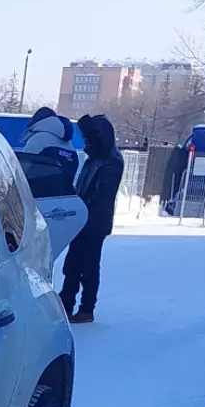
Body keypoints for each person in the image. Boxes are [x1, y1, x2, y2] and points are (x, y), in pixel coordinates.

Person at [61, 114, 124, 324]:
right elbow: (83, 187)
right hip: (84, 219)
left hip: (95, 223)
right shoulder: (96, 159)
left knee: (88, 266)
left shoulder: (110, 162)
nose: (86, 143)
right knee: (72, 264)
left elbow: (101, 196)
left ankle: (86, 308)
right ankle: (66, 303)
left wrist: (84, 212)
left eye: (89, 139)